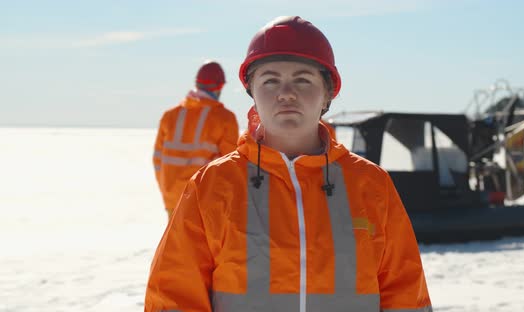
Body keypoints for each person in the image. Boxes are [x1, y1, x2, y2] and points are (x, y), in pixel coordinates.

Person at [145, 16, 432, 312]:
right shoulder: (211, 186)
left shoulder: (372, 186)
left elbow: (405, 295)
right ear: (252, 94)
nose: (286, 93)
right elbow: (174, 297)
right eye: (270, 81)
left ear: (327, 94)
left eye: (303, 80)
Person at [152, 60, 239, 220]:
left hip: (172, 199)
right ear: (220, 87)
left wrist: (168, 193)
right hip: (204, 203)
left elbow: (157, 160)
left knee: (176, 244)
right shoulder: (224, 118)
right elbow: (231, 166)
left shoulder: (170, 116)